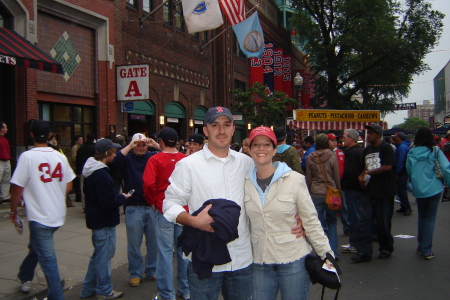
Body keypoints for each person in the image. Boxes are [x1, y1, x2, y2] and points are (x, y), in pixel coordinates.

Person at [163, 107, 303, 300]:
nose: (221, 131)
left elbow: (273, 190)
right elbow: (170, 204)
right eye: (215, 125)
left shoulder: (247, 163)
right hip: (206, 257)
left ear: (232, 129)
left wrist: (296, 215)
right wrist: (193, 221)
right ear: (205, 130)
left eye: (226, 125)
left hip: (242, 259)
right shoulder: (188, 165)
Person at [245, 126, 333, 300]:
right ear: (249, 149)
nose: (261, 149)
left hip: (293, 260)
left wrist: (327, 255)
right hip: (259, 261)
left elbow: (311, 220)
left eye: (266, 145)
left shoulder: (294, 180)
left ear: (274, 150)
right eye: (256, 145)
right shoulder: (243, 181)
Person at [9, 120, 75, 299]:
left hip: (40, 217)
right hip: (57, 214)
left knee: (48, 260)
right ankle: (25, 275)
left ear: (31, 135)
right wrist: (53, 194)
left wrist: (13, 211)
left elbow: (17, 188)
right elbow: (69, 185)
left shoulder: (27, 157)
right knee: (37, 246)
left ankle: (56, 296)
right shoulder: (59, 156)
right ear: (49, 135)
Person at [80, 139, 130, 299]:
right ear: (107, 153)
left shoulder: (92, 170)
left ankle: (88, 289)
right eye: (113, 151)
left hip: (97, 219)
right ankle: (104, 290)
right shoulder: (101, 174)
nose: (115, 154)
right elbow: (107, 202)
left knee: (98, 256)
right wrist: (121, 198)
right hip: (104, 221)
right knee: (104, 258)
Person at [142, 127, 189, 300]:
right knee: (183, 253)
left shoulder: (155, 160)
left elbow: (148, 184)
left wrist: (153, 201)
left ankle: (166, 294)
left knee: (165, 253)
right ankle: (185, 290)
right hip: (183, 211)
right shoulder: (185, 159)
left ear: (160, 141)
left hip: (164, 209)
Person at [113, 133, 161, 287]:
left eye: (143, 145)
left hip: (152, 206)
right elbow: (115, 161)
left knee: (153, 242)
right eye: (137, 145)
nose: (141, 148)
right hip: (134, 206)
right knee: (134, 243)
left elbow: (169, 154)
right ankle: (135, 272)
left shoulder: (152, 156)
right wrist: (130, 145)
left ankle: (151, 269)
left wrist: (154, 144)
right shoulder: (127, 159)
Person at [353, 123, 396, 263]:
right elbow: (364, 168)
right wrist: (360, 177)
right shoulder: (366, 150)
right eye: (368, 133)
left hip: (384, 191)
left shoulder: (386, 148)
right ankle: (364, 251)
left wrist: (369, 172)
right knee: (364, 221)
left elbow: (388, 166)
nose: (368, 136)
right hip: (368, 191)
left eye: (371, 133)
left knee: (383, 222)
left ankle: (385, 248)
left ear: (378, 134)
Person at [407, 127, 448, 260]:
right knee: (430, 218)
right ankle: (427, 249)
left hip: (419, 189)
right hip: (434, 188)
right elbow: (446, 168)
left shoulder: (412, 152)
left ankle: (421, 246)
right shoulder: (435, 151)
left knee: (422, 217)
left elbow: (409, 170)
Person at [305, 133, 341, 257]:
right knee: (332, 222)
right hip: (331, 191)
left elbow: (308, 178)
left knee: (318, 224)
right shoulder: (332, 156)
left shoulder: (310, 157)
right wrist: (339, 191)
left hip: (316, 192)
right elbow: (336, 176)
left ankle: (322, 252)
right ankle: (333, 252)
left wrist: (308, 193)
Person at [341, 129, 364, 254]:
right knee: (355, 214)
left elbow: (351, 172)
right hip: (354, 188)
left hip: (352, 188)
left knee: (354, 215)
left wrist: (344, 183)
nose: (342, 139)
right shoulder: (357, 151)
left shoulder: (353, 153)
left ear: (351, 138)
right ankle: (356, 241)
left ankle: (355, 243)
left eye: (344, 137)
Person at [392, 132, 412, 216]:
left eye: (396, 137)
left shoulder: (402, 147)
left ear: (399, 138)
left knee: (402, 190)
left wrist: (397, 172)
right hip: (403, 170)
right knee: (401, 190)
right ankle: (404, 206)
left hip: (402, 171)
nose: (394, 138)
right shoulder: (403, 146)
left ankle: (406, 207)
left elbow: (400, 160)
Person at [76, 133, 96, 210]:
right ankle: (92, 204)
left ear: (86, 138)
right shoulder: (95, 148)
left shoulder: (81, 148)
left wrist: (78, 171)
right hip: (93, 170)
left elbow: (78, 160)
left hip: (83, 170)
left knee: (83, 188)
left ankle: (85, 205)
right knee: (92, 188)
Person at [0, 121, 11, 203]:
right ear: (2, 129)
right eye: (5, 127)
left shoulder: (5, 139)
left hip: (6, 161)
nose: (7, 129)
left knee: (6, 179)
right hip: (0, 161)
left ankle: (5, 196)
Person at [71, 135, 83, 202]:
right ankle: (78, 196)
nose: (81, 141)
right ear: (76, 141)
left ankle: (79, 196)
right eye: (80, 139)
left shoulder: (81, 147)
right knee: (77, 182)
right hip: (75, 167)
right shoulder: (75, 148)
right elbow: (73, 158)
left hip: (79, 166)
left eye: (82, 139)